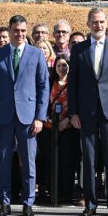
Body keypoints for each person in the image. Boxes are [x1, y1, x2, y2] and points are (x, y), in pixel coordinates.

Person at [0, 15, 49, 216]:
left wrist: (40, 117)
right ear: (10, 31)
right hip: (3, 116)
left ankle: (28, 202)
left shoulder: (36, 54)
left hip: (28, 117)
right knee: (3, 161)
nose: (19, 34)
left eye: (23, 31)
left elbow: (43, 87)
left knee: (29, 161)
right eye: (15, 30)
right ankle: (4, 202)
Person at [68, 8, 108, 216]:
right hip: (86, 111)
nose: (98, 25)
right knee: (89, 159)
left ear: (106, 23)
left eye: (102, 22)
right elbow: (72, 84)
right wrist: (73, 112)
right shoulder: (79, 50)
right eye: (94, 22)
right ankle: (90, 204)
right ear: (88, 24)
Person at [48, 56, 80, 204]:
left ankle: (66, 194)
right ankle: (54, 192)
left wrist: (67, 119)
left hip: (69, 128)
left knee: (67, 162)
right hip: (52, 128)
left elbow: (77, 103)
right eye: (59, 66)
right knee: (53, 161)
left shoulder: (74, 84)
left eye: (65, 65)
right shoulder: (50, 83)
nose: (62, 68)